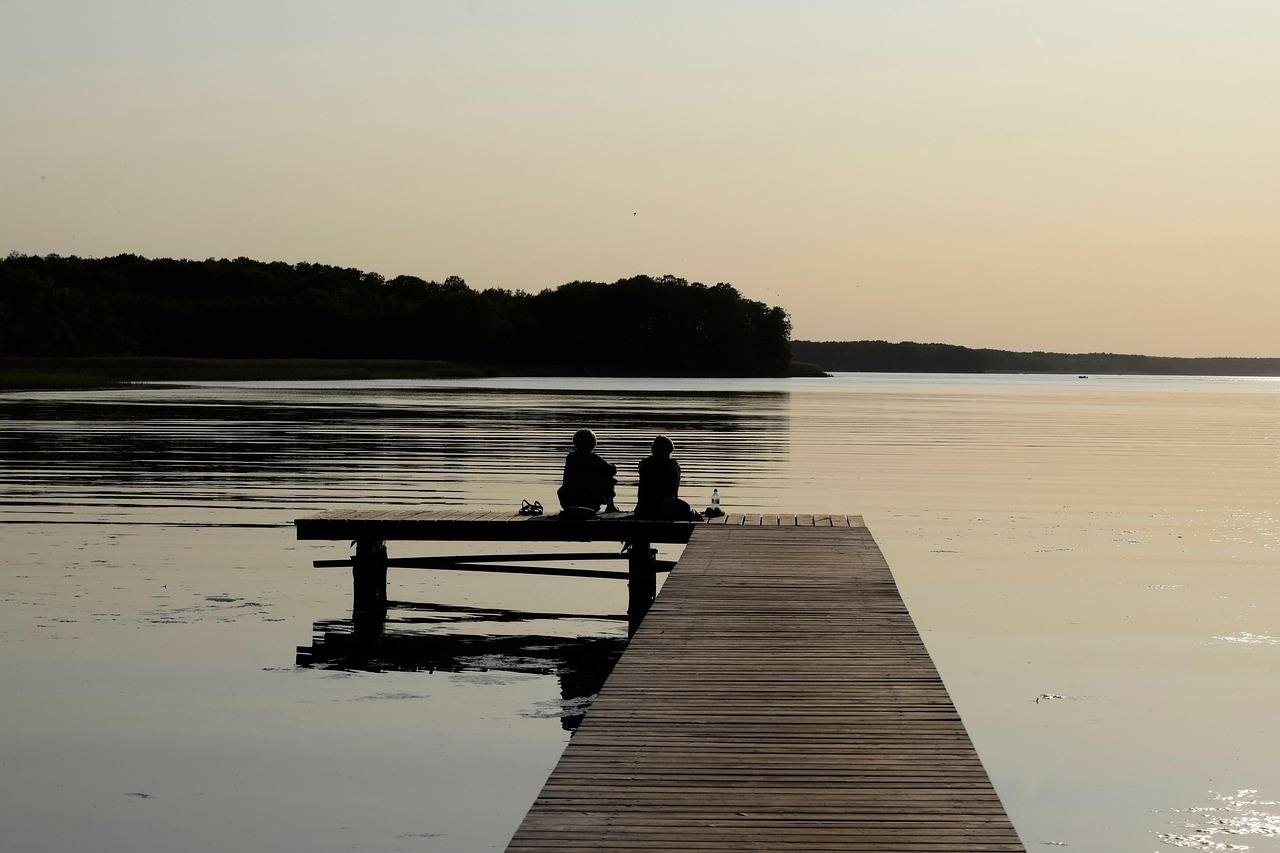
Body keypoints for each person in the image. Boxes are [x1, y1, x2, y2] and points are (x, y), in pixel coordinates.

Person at [557, 428, 619, 513]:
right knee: (608, 477)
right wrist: (612, 466)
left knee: (562, 489)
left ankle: (572, 508)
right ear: (593, 444)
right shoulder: (593, 458)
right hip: (589, 501)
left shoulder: (570, 458)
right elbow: (611, 470)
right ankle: (610, 506)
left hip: (569, 501)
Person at [635, 434, 692, 520]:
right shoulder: (673, 467)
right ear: (669, 451)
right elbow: (673, 492)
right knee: (686, 508)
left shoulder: (645, 465)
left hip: (643, 509)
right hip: (663, 509)